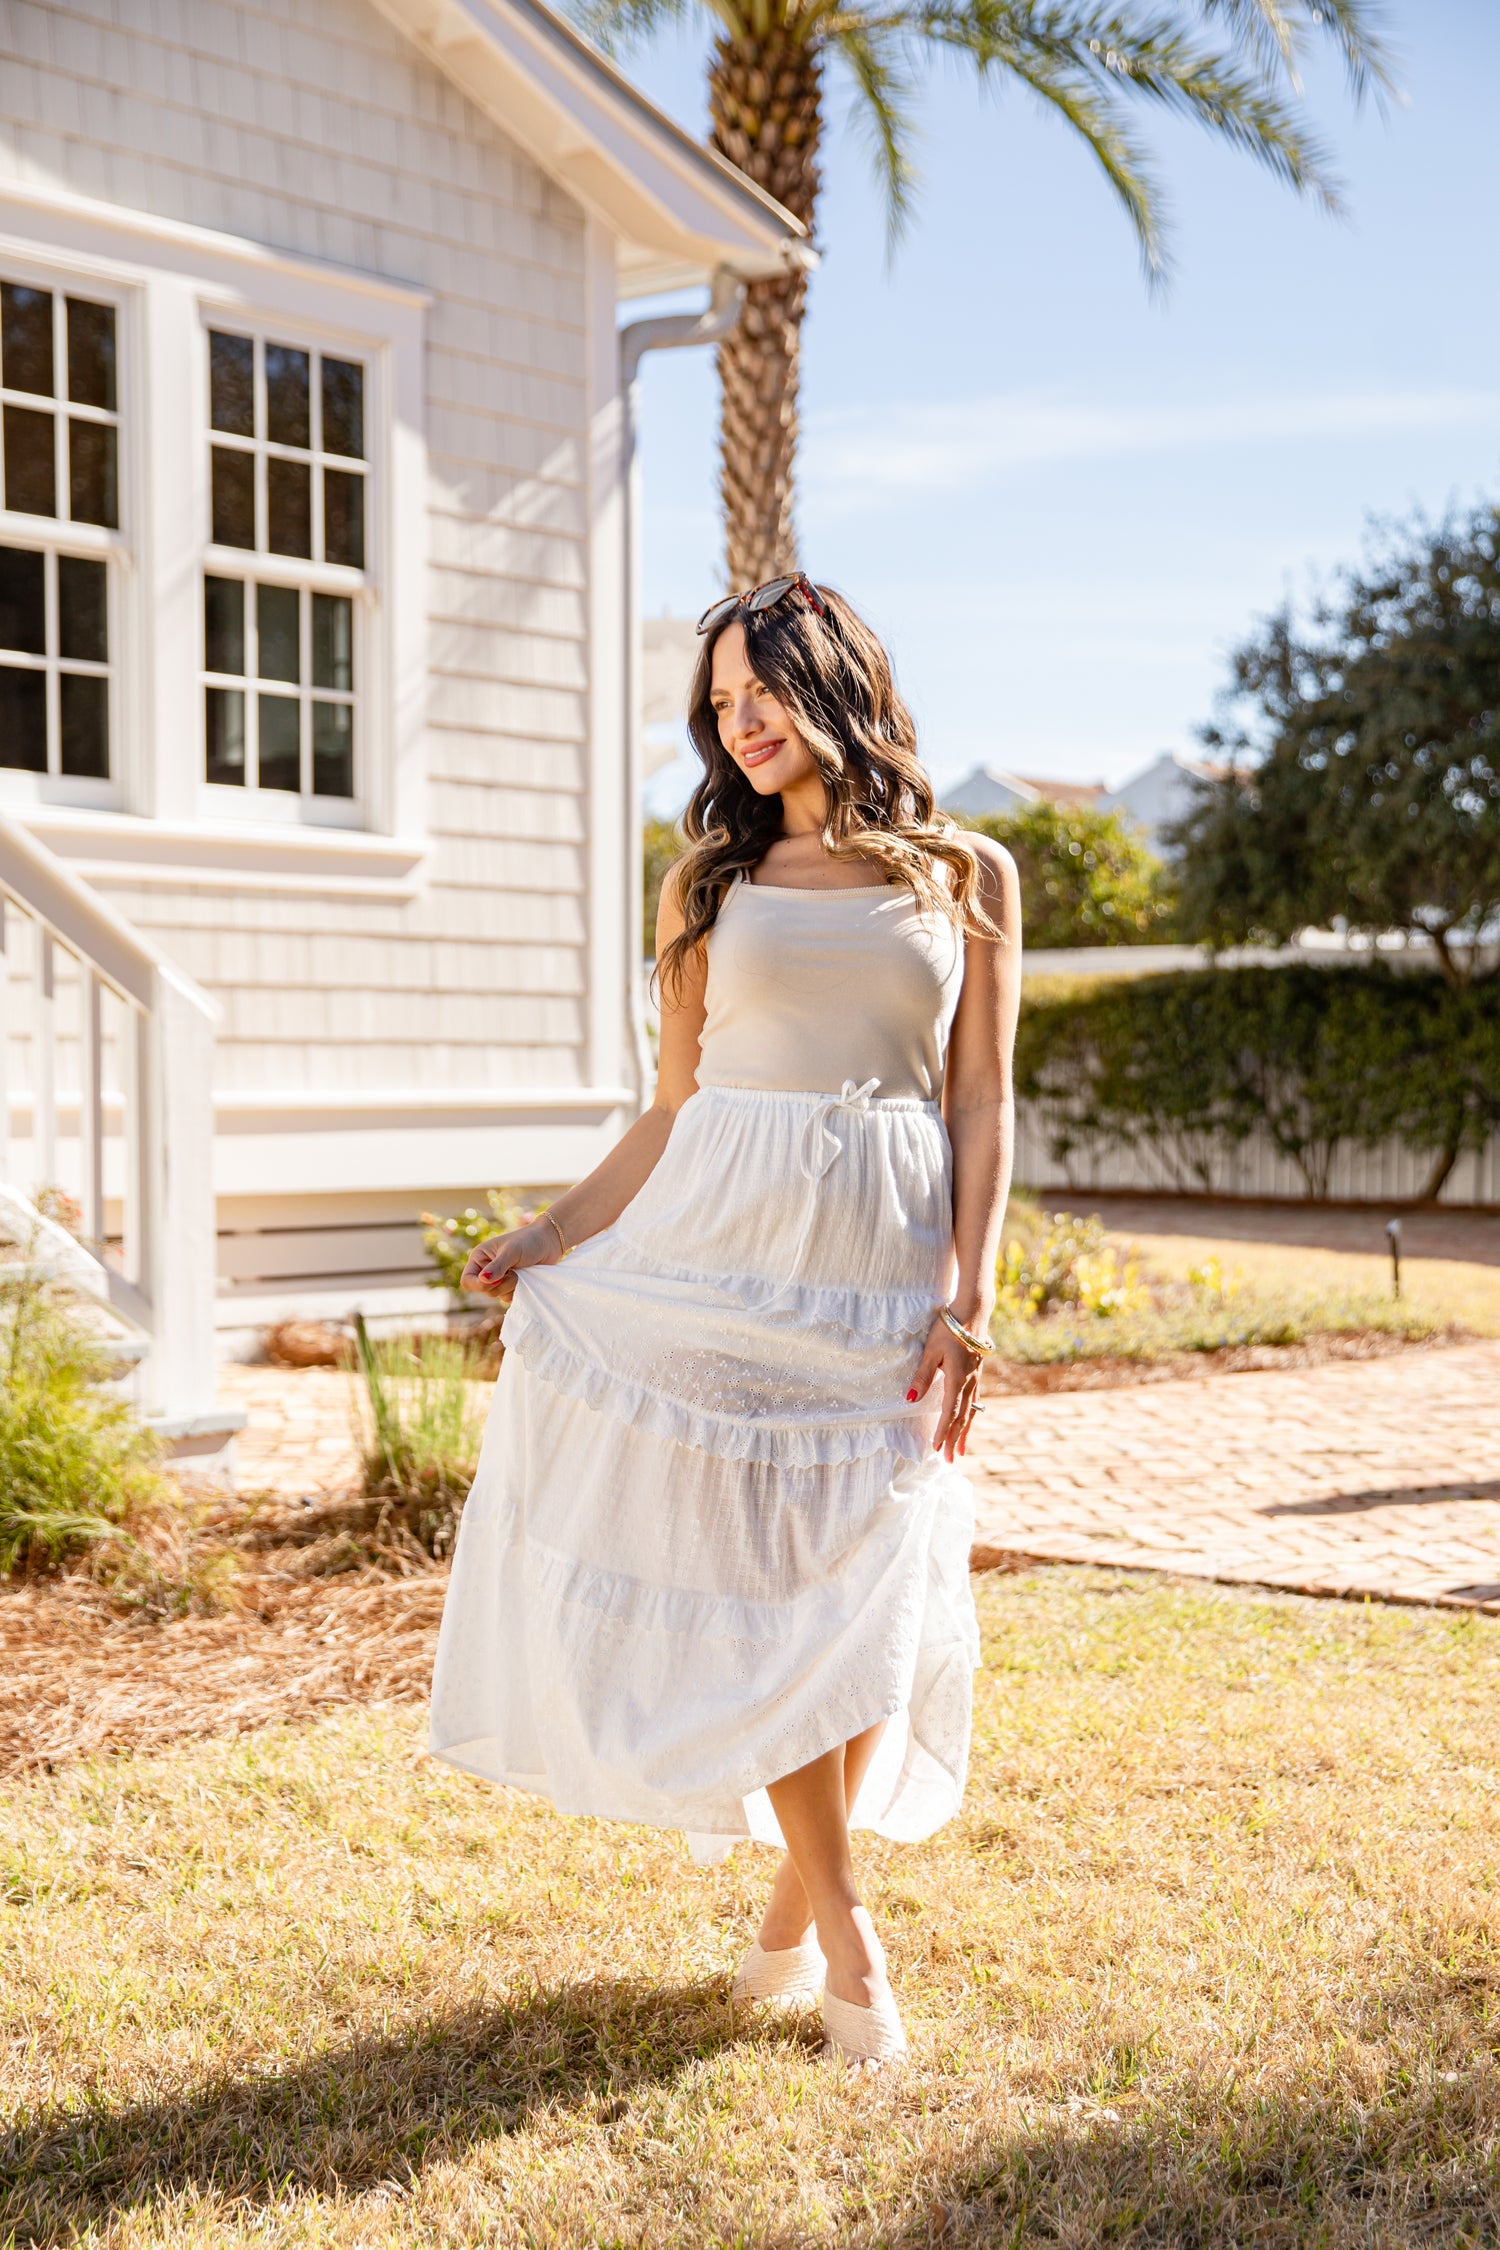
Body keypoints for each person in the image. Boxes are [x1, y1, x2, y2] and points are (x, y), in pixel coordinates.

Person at [429, 575, 1021, 2067]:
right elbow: (670, 1111)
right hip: (723, 1253)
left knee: (869, 1592)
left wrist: (972, 1296)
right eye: (717, 703)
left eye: (759, 688)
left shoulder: (968, 875)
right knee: (777, 1590)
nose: (737, 722)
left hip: (883, 1272)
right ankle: (850, 1943)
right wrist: (554, 1233)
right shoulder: (705, 884)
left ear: (831, 679)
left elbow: (978, 1098)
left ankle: (782, 1914)